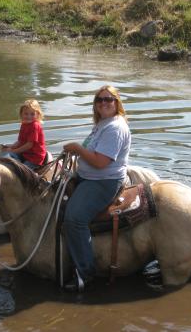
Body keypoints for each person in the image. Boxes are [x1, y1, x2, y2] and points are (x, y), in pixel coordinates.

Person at [62, 85, 131, 292]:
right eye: (99, 99)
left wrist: (77, 149)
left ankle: (85, 273)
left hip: (104, 182)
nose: (103, 103)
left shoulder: (115, 128)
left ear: (116, 102)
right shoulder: (103, 124)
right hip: (88, 177)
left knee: (74, 219)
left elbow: (101, 162)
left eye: (108, 99)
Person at [1, 99, 47, 170]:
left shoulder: (35, 126)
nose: (29, 116)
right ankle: (15, 164)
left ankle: (18, 167)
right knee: (4, 154)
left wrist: (13, 151)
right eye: (26, 113)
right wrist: (10, 147)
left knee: (21, 170)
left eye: (32, 114)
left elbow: (29, 145)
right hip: (25, 154)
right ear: (21, 114)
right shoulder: (24, 124)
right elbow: (20, 141)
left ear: (37, 114)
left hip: (35, 158)